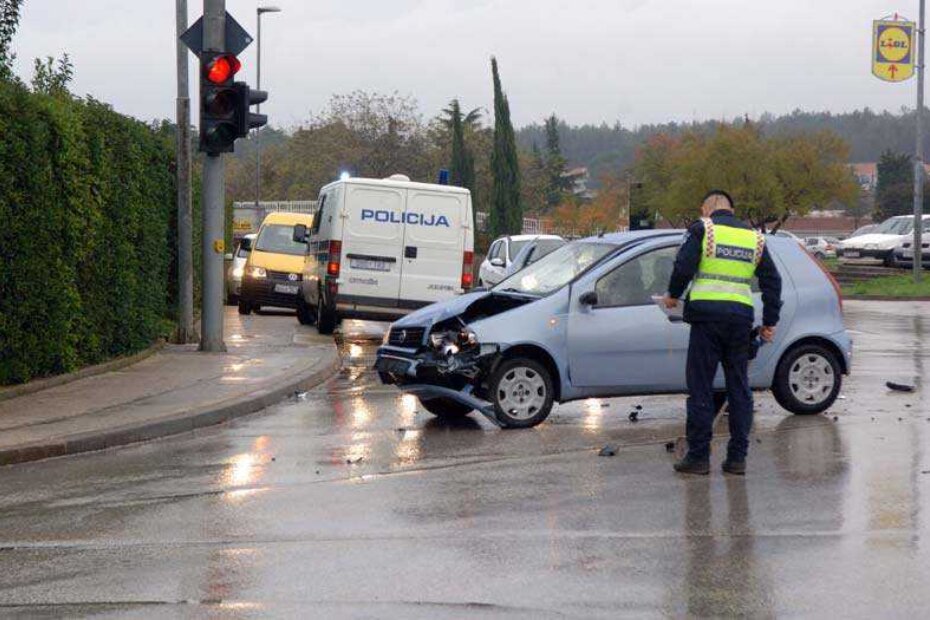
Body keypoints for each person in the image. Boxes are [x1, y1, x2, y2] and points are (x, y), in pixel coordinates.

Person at [662, 190, 782, 476]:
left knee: (701, 387)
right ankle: (737, 458)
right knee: (739, 388)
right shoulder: (754, 238)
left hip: (706, 320)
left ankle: (699, 457)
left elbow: (683, 266)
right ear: (731, 208)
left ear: (710, 206)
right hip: (740, 320)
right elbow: (772, 282)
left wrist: (673, 295)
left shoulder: (704, 229)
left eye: (702, 208)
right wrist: (769, 322)